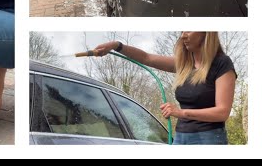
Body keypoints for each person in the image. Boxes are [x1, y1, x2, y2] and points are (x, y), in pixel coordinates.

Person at [94, 32, 236, 145]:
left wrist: (181, 113)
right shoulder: (184, 64)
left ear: (206, 33)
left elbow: (222, 112)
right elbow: (146, 58)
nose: (183, 35)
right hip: (181, 137)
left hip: (209, 139)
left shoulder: (221, 63)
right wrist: (116, 45)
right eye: (182, 30)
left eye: (189, 30)